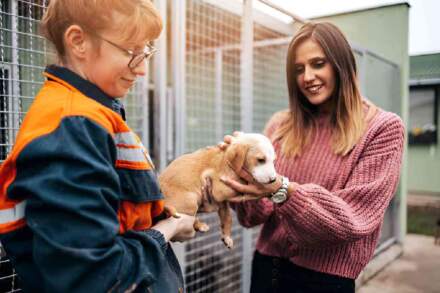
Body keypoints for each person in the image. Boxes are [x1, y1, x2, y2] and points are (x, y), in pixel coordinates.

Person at [0, 0, 196, 292]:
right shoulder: (73, 124)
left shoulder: (96, 113)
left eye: (146, 51)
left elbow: (116, 212)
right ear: (78, 41)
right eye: (132, 51)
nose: (142, 69)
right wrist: (168, 229)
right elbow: (94, 277)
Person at [220, 22, 405, 293]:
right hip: (266, 269)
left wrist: (283, 190)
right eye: (298, 69)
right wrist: (243, 172)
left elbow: (353, 219)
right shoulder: (281, 125)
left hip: (325, 281)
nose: (307, 77)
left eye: (318, 64)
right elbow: (254, 217)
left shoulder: (382, 128)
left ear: (341, 64)